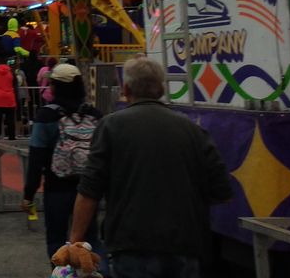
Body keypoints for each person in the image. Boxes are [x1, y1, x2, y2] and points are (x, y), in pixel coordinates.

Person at [67, 57, 232, 278]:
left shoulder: (111, 127)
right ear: (162, 89)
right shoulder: (193, 130)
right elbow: (221, 191)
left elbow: (89, 190)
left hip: (131, 245)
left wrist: (75, 241)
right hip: (185, 247)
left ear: (126, 89)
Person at [21, 63, 104, 263]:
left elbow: (36, 159)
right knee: (90, 240)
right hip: (88, 190)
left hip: (56, 188)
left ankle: (62, 274)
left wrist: (28, 195)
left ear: (56, 86)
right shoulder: (94, 115)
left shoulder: (46, 116)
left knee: (57, 241)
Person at [0, 59, 18, 140]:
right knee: (10, 121)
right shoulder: (11, 72)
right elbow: (15, 86)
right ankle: (11, 137)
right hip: (9, 98)